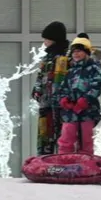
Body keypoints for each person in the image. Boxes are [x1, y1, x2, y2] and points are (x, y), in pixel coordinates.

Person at [55, 34, 101, 155]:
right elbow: (64, 87)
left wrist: (86, 99)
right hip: (70, 112)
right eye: (74, 52)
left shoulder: (94, 68)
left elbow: (98, 83)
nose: (76, 54)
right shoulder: (71, 71)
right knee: (66, 138)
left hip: (87, 111)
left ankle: (85, 162)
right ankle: (64, 160)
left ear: (86, 52)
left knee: (85, 140)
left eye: (79, 51)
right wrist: (64, 99)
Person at [31, 21, 70, 156]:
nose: (45, 42)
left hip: (63, 104)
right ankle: (44, 161)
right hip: (46, 103)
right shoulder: (47, 57)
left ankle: (62, 162)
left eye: (47, 39)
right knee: (45, 135)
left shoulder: (68, 56)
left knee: (63, 136)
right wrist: (36, 91)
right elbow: (41, 76)